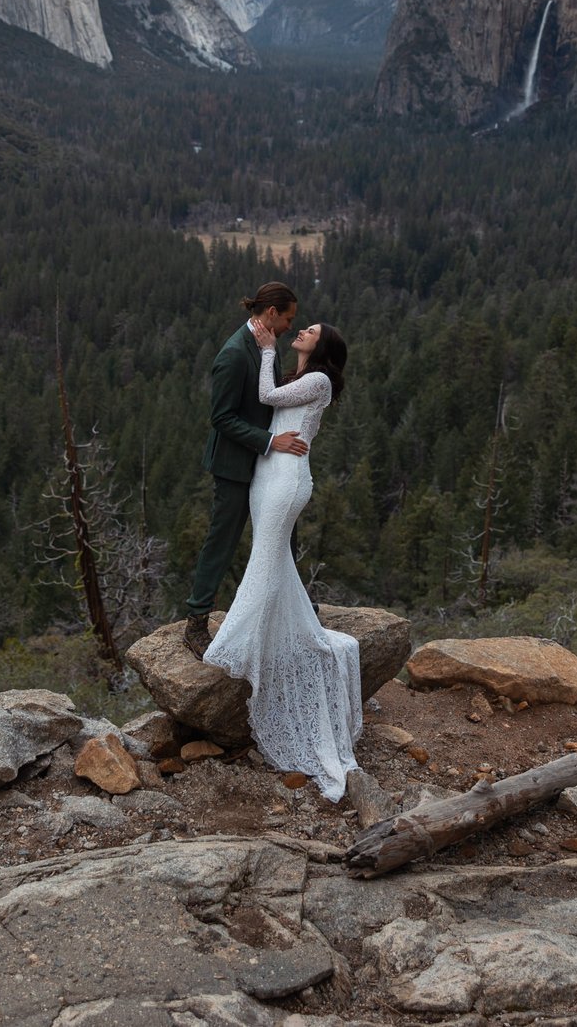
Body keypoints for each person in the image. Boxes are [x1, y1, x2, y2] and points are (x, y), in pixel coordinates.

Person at [203, 316, 362, 802]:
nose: (303, 332)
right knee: (272, 561)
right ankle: (265, 635)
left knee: (267, 560)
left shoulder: (316, 379)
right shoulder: (304, 376)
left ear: (323, 346)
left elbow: (269, 400)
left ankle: (239, 645)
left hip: (287, 477)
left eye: (310, 331)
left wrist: (267, 349)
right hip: (270, 473)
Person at [184, 282, 308, 660]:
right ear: (271, 314)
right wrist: (271, 442)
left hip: (266, 464)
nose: (290, 326)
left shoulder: (262, 346)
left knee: (284, 532)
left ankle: (295, 611)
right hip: (235, 466)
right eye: (288, 318)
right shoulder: (235, 354)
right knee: (222, 540)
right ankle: (196, 622)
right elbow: (221, 418)